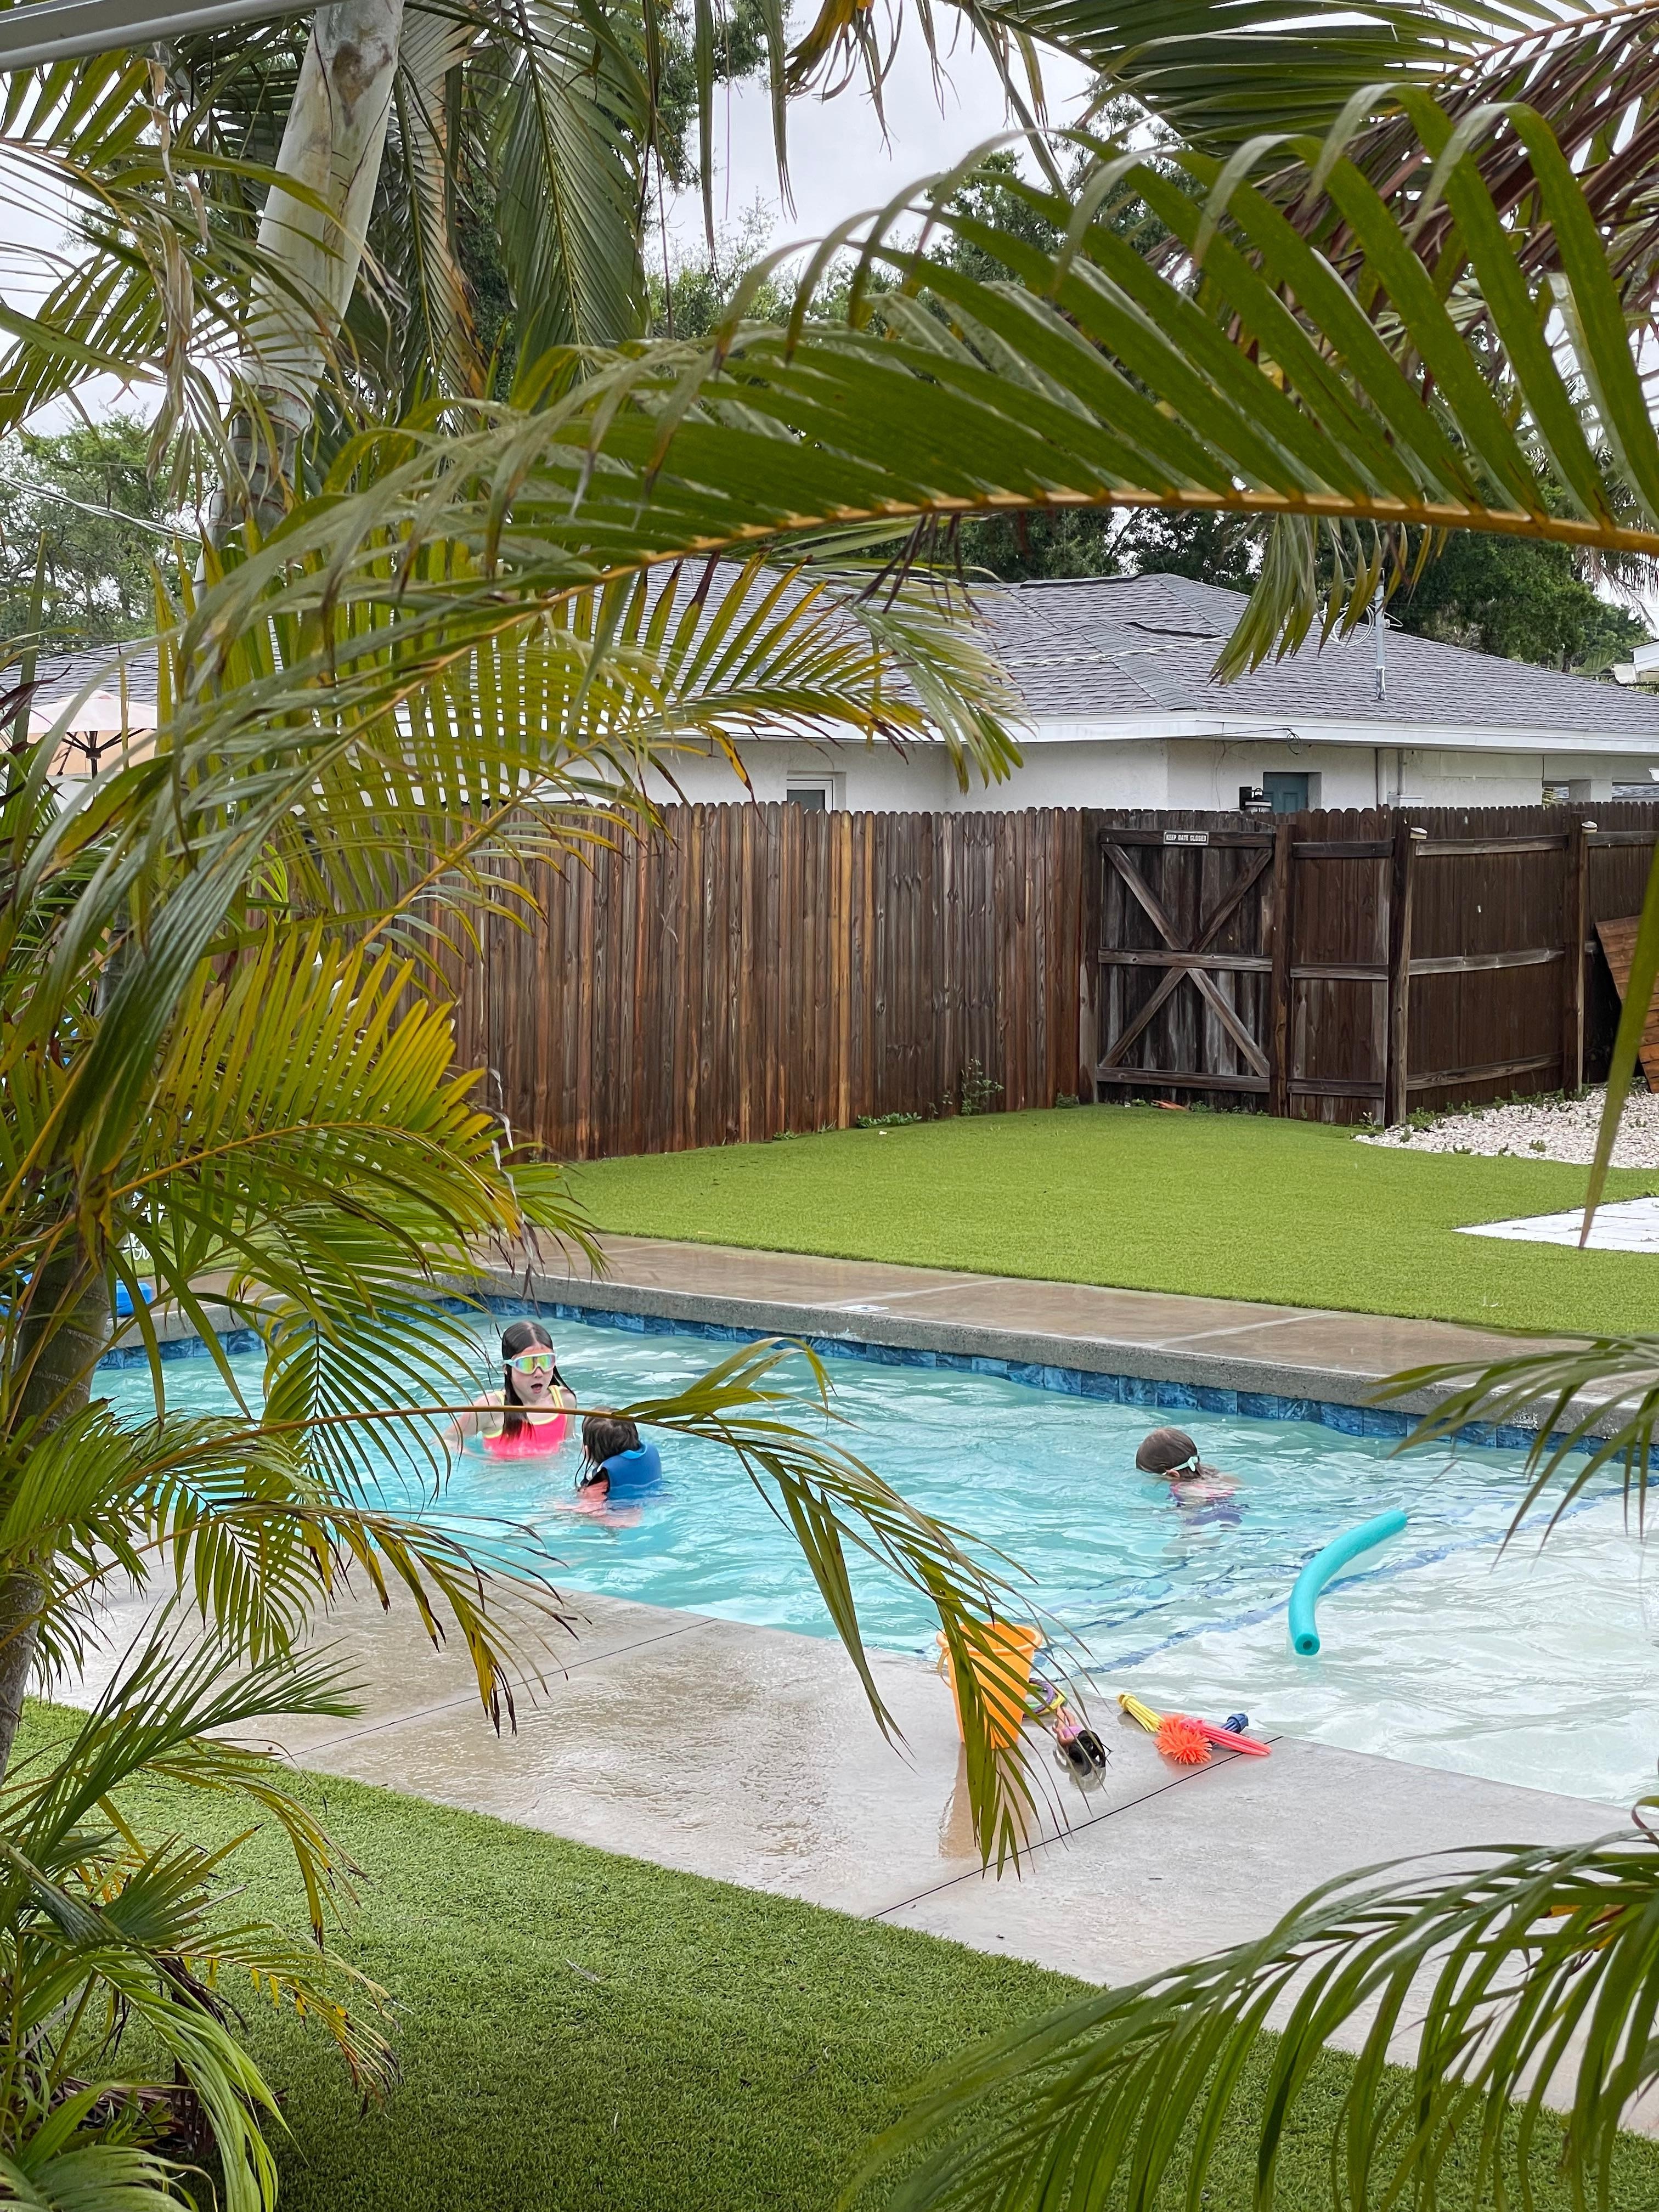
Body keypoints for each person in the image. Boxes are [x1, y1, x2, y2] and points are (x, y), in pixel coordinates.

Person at [448, 1319, 574, 1455]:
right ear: (507, 1369)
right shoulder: (491, 1408)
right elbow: (446, 1440)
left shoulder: (565, 1401)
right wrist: (480, 1460)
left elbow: (569, 1448)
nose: (538, 1373)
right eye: (526, 1364)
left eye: (546, 1361)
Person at [1135, 1425, 1238, 1508]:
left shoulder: (1187, 1491)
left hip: (1215, 1514)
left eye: (1157, 1477)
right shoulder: (1212, 1472)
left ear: (1174, 1475)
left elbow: (1192, 1520)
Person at [575, 1412, 662, 1500]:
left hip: (621, 1509)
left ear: (588, 1450)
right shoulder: (647, 1456)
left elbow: (590, 1509)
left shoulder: (599, 1484)